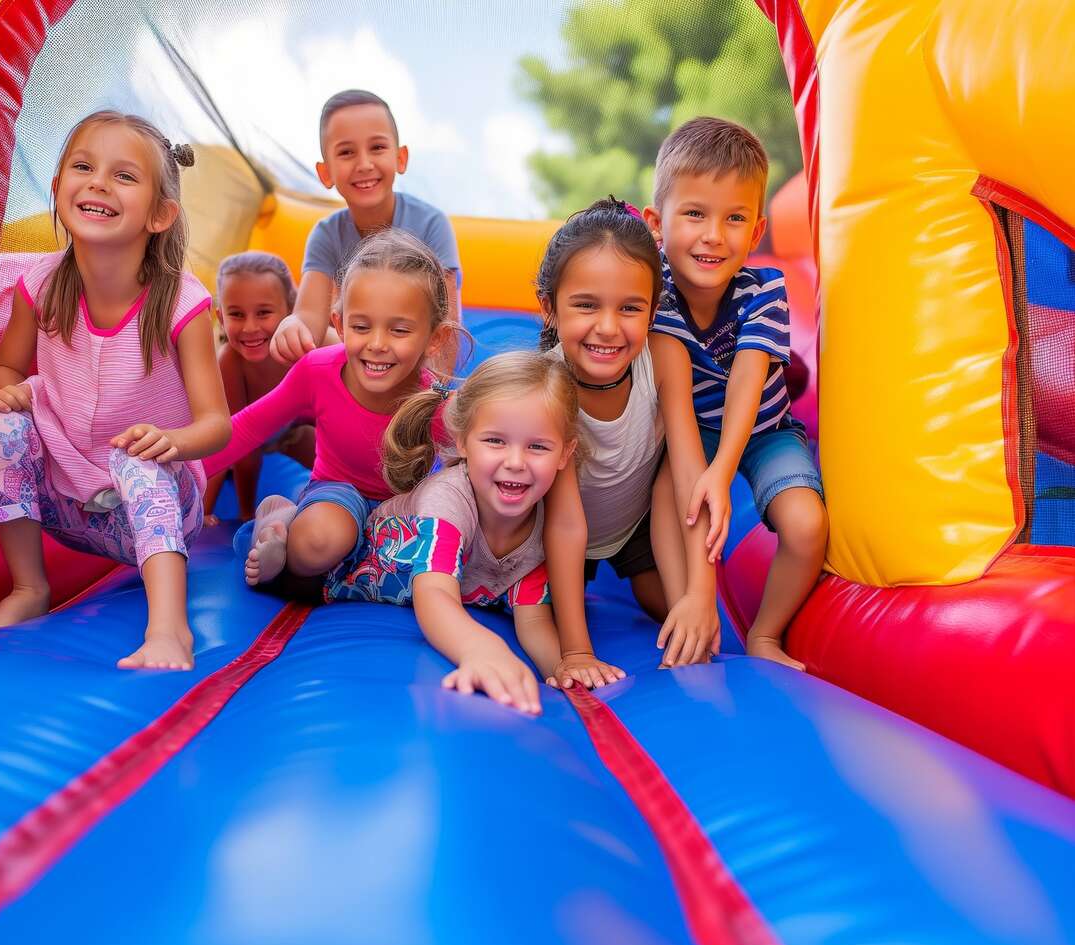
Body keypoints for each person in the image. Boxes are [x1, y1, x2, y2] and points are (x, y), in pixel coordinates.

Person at [0, 110, 229, 672]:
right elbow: (3, 371)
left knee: (134, 459)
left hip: (152, 507)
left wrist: (172, 442)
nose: (99, 183)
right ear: (58, 186)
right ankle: (28, 588)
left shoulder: (181, 301)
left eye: (124, 176)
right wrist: (6, 395)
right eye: (83, 167)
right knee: (2, 428)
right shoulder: (38, 284)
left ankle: (169, 629)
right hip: (68, 504)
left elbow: (217, 424)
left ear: (161, 214)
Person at [326, 351, 605, 713]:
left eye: (537, 446)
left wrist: (564, 670)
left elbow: (533, 619)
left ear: (565, 454)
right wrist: (480, 648)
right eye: (495, 441)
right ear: (462, 442)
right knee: (306, 548)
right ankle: (275, 518)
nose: (516, 462)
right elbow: (435, 594)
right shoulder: (448, 501)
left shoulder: (542, 528)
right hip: (338, 563)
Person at [646, 117, 828, 670]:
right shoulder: (659, 298)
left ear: (755, 233)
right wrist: (702, 590)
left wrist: (723, 473)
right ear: (658, 222)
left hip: (766, 430)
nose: (712, 235)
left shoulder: (764, 289)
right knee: (667, 500)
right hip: (692, 430)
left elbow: (749, 384)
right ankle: (692, 610)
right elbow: (677, 416)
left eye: (734, 219)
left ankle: (766, 633)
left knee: (807, 526)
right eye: (695, 214)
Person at [202, 228, 457, 589]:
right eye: (361, 326)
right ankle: (277, 528)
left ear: (435, 339)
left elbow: (470, 466)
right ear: (338, 323)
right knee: (318, 546)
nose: (377, 344)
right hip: (337, 494)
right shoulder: (318, 371)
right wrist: (180, 480)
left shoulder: (435, 401)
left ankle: (289, 519)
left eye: (399, 331)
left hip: (403, 508)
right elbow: (246, 428)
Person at [539, 198, 727, 676]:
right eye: (585, 305)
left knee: (682, 618)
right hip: (549, 534)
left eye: (629, 308)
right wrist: (577, 651)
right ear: (550, 308)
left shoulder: (665, 358)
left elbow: (689, 473)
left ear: (652, 309)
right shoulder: (549, 384)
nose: (608, 328)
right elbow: (563, 523)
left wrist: (700, 596)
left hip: (634, 528)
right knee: (539, 614)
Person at [268, 89, 462, 373]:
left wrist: (431, 392)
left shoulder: (431, 224)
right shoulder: (326, 234)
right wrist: (293, 326)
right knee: (323, 338)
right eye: (346, 152)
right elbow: (309, 316)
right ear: (326, 173)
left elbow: (446, 328)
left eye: (377, 148)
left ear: (401, 158)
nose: (364, 164)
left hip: (416, 364)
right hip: (366, 364)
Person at [201, 252, 324, 524]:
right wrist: (245, 513)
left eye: (264, 313)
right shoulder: (230, 362)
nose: (250, 327)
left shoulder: (311, 345)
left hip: (294, 431)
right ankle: (201, 513)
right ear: (221, 318)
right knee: (217, 446)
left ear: (292, 310)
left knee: (331, 460)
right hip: (243, 442)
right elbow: (236, 445)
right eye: (236, 314)